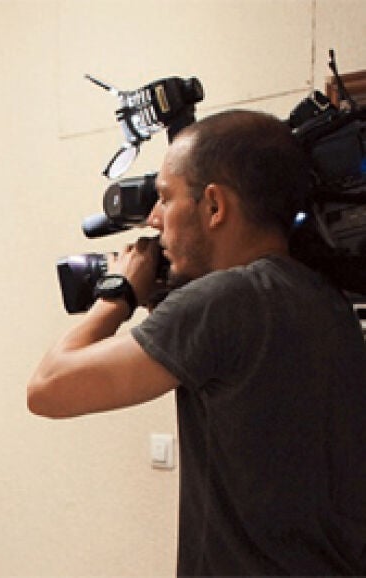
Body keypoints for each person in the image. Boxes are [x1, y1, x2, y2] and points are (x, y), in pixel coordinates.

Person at [27, 110, 366, 575]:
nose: (153, 218)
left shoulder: (225, 300)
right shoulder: (325, 299)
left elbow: (48, 388)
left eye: (166, 197)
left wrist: (119, 292)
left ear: (214, 206)